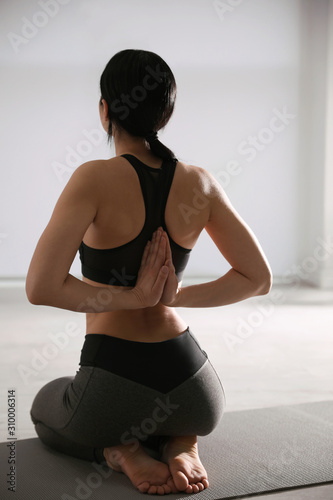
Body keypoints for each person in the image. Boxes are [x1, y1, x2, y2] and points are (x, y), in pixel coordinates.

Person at [26, 49, 272, 496]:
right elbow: (257, 278)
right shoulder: (199, 181)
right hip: (197, 390)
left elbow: (40, 287)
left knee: (45, 407)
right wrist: (174, 298)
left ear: (105, 111)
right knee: (170, 412)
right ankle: (182, 439)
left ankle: (118, 451)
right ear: (166, 114)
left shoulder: (92, 178)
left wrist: (134, 297)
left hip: (111, 385)